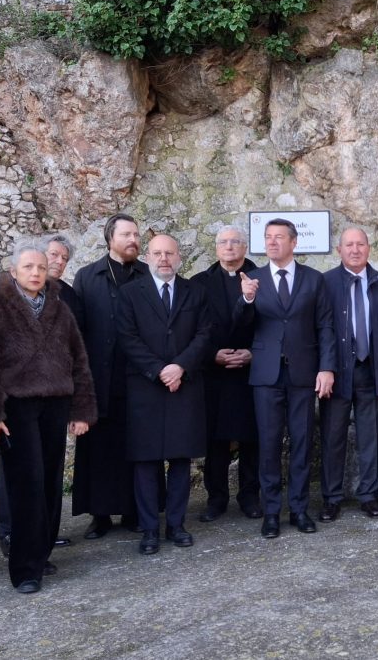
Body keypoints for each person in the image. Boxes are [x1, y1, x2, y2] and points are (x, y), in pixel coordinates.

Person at [0, 239, 97, 594]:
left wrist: (82, 410)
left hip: (55, 405)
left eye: (41, 267)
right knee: (26, 485)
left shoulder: (59, 307)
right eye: (28, 267)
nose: (36, 272)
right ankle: (24, 569)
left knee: (51, 483)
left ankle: (41, 553)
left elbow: (79, 360)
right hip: (15, 408)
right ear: (13, 271)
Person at [237, 218, 337, 538]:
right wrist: (247, 299)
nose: (272, 242)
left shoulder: (314, 279)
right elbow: (239, 326)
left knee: (302, 442)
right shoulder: (252, 279)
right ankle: (270, 513)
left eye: (279, 237)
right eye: (268, 237)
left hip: (303, 373)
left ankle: (298, 509)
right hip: (266, 375)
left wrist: (326, 368)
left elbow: (325, 326)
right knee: (267, 445)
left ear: (294, 243)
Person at [118, 235, 214, 554]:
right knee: (145, 461)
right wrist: (160, 369)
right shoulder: (130, 293)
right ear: (147, 258)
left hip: (184, 386)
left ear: (179, 257)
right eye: (157, 253)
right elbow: (127, 338)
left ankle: (176, 524)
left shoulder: (196, 292)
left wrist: (180, 367)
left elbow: (205, 334)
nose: (163, 259)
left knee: (180, 458)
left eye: (169, 253)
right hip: (145, 387)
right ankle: (149, 529)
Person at [0, 233, 82, 558]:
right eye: (51, 256)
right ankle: (12, 533)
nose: (57, 262)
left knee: (49, 468)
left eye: (62, 259)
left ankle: (43, 536)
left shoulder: (67, 296)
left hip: (53, 398)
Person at [318, 228, 378, 521]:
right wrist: (324, 368)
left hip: (372, 371)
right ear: (339, 249)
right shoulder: (326, 282)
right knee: (333, 437)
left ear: (368, 248)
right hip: (338, 372)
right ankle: (331, 497)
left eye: (360, 244)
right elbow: (321, 330)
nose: (355, 250)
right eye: (349, 245)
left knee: (372, 436)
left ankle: (369, 495)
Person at [72, 213, 148, 539]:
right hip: (98, 376)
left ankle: (134, 510)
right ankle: (99, 514)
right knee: (98, 449)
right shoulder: (87, 277)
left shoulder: (148, 275)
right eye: (126, 234)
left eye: (136, 235)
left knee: (136, 445)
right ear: (110, 238)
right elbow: (77, 331)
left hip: (138, 377)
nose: (133, 240)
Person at [189, 226, 262, 523]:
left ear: (245, 247)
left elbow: (271, 323)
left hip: (251, 370)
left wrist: (254, 354)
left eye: (235, 242)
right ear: (216, 248)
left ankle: (250, 496)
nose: (229, 247)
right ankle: (216, 497)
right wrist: (211, 354)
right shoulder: (197, 283)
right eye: (223, 242)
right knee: (214, 440)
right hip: (214, 372)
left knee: (252, 438)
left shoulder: (263, 278)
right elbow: (191, 329)